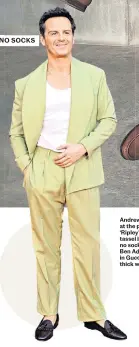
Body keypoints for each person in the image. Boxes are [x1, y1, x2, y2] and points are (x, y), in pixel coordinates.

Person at [9, 6, 127, 342]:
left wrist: (83, 147)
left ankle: (94, 316)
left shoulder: (94, 76)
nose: (61, 38)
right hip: (43, 168)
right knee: (45, 246)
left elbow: (109, 120)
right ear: (42, 39)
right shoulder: (26, 84)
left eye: (66, 32)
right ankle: (48, 313)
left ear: (73, 36)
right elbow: (16, 132)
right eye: (54, 33)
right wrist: (27, 167)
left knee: (87, 245)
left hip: (83, 168)